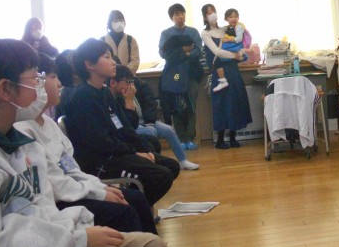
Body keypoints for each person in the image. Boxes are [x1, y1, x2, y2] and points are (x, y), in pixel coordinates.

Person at [0, 38, 178, 247]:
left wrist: (78, 230)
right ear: (5, 89)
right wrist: (77, 239)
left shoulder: (19, 142)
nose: (42, 85)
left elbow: (43, 209)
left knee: (154, 246)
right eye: (35, 78)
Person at [14, 53, 159, 235]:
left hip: (76, 186)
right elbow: (54, 182)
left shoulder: (49, 123)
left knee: (136, 197)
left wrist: (99, 187)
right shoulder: (23, 130)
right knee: (126, 210)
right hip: (63, 199)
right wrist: (99, 192)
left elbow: (71, 168)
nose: (59, 83)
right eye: (51, 77)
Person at [62, 38, 180, 207]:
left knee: (171, 165)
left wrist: (144, 149)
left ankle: (137, 208)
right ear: (90, 64)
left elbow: (123, 127)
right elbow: (101, 142)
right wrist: (134, 153)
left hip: (114, 153)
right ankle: (133, 210)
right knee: (161, 176)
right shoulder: (83, 97)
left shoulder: (104, 92)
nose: (113, 62)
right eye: (107, 57)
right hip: (101, 162)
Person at [109, 64, 200, 171]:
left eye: (131, 81)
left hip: (147, 120)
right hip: (135, 126)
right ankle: (154, 164)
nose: (130, 84)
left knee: (168, 130)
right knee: (150, 132)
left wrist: (150, 121)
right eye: (127, 81)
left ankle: (183, 160)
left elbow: (150, 104)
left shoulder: (140, 86)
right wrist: (128, 101)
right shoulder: (116, 96)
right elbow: (128, 125)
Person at [201, 3, 252, 149]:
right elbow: (217, 52)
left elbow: (238, 43)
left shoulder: (224, 30)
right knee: (222, 103)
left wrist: (241, 54)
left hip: (233, 70)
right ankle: (220, 140)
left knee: (235, 101)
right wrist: (234, 55)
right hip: (220, 71)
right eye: (208, 13)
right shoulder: (205, 33)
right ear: (204, 16)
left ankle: (233, 137)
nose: (212, 14)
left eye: (213, 11)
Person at [159, 3, 203, 149]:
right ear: (171, 17)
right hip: (175, 75)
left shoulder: (193, 32)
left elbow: (198, 51)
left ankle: (190, 138)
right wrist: (185, 51)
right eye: (177, 14)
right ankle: (181, 139)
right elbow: (164, 54)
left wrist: (183, 53)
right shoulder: (166, 33)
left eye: (182, 13)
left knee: (191, 105)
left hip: (192, 74)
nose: (180, 17)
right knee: (176, 106)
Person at [213, 8, 249, 92]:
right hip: (230, 55)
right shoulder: (227, 28)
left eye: (235, 17)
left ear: (238, 17)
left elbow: (239, 39)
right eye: (230, 17)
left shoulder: (239, 27)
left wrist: (228, 39)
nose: (233, 19)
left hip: (236, 49)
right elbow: (218, 29)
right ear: (226, 19)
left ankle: (223, 81)